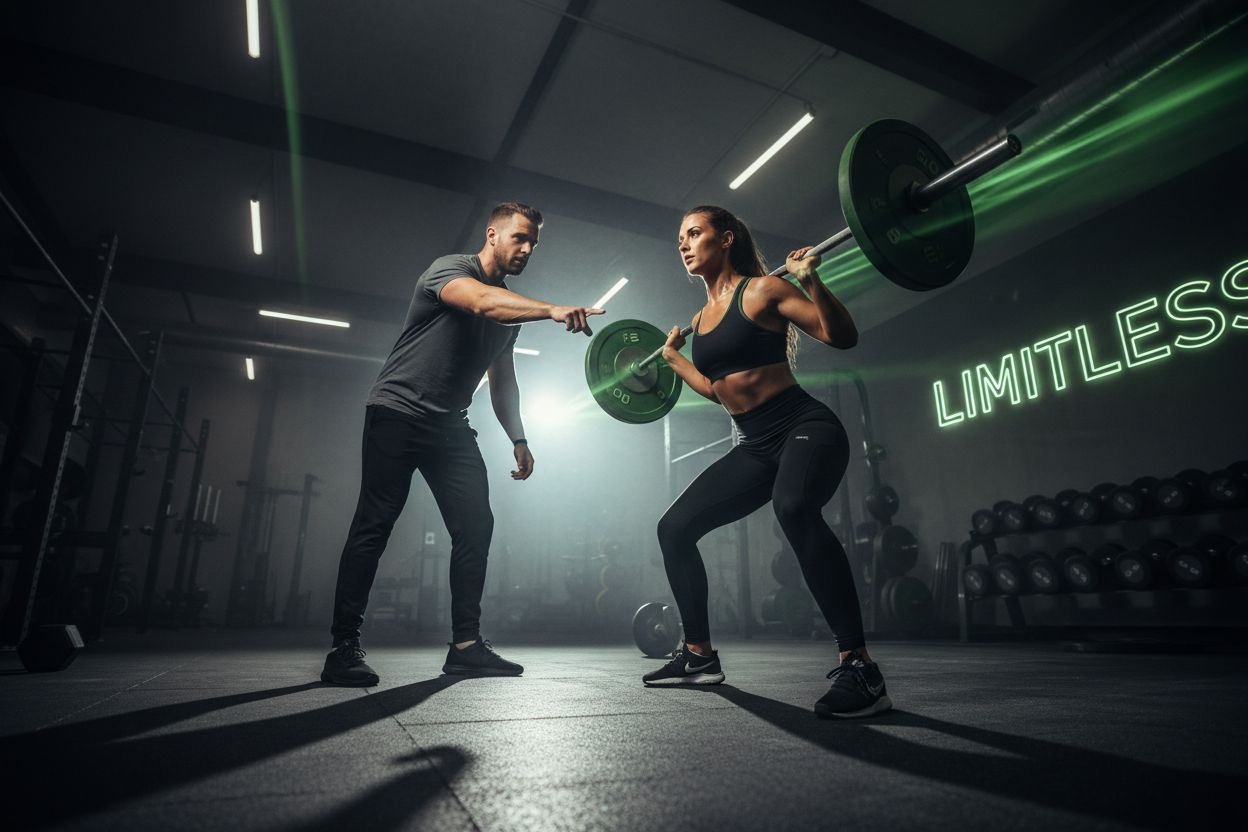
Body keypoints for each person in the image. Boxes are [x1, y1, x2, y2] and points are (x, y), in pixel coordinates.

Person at [322, 202, 604, 686]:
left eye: (533, 242)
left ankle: (466, 647)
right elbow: (481, 302)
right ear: (492, 234)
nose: (527, 248)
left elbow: (502, 381)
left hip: (449, 426)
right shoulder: (450, 270)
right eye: (519, 237)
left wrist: (519, 437)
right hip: (397, 412)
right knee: (375, 523)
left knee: (476, 525)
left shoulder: (510, 313)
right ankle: (343, 647)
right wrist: (553, 309)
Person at [642, 205, 890, 719]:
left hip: (804, 426)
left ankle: (860, 667)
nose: (684, 244)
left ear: (725, 239)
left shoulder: (763, 290)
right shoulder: (699, 320)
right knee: (675, 528)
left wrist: (810, 280)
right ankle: (699, 655)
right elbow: (718, 390)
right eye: (680, 238)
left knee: (793, 507)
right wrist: (674, 359)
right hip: (755, 445)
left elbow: (841, 336)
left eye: (694, 233)